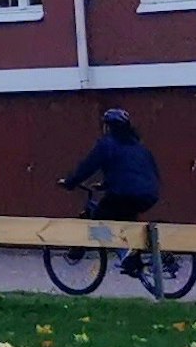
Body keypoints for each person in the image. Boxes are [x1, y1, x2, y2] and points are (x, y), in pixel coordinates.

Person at [59, 106, 165, 277]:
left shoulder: (107, 144)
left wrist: (71, 182)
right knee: (125, 221)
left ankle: (127, 255)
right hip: (149, 194)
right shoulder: (139, 146)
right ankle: (133, 257)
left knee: (99, 220)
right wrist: (106, 185)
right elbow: (131, 172)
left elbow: (88, 167)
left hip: (125, 193)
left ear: (108, 126)